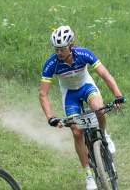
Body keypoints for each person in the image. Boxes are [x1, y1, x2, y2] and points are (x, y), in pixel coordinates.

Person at [39, 26, 123, 190]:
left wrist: (118, 95)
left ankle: (104, 134)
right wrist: (50, 117)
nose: (59, 52)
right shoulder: (52, 63)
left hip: (86, 86)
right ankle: (89, 175)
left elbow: (104, 74)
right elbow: (43, 94)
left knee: (99, 108)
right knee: (77, 131)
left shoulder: (83, 54)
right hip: (70, 94)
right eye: (56, 49)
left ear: (71, 45)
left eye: (62, 49)